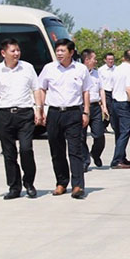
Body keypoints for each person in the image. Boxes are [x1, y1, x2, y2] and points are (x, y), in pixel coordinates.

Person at [0, 38, 40, 199]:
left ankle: (29, 183)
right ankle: (14, 187)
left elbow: (36, 89)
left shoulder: (27, 68)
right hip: (5, 114)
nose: (16, 53)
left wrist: (39, 109)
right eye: (13, 51)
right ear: (3, 53)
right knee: (9, 153)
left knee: (26, 149)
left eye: (18, 50)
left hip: (25, 114)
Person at [36, 38, 92, 199]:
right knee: (56, 150)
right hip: (54, 113)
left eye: (63, 51)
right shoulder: (49, 68)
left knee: (75, 150)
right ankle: (61, 182)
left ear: (71, 52)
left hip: (73, 112)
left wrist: (86, 112)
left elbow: (86, 91)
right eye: (57, 51)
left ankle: (78, 185)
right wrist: (41, 110)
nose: (59, 54)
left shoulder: (80, 69)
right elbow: (41, 88)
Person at [110, 50, 130, 169]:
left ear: (124, 58)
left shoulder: (116, 69)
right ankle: (117, 160)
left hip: (114, 102)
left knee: (118, 132)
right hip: (124, 103)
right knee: (125, 132)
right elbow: (128, 89)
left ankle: (122, 156)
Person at [80, 49, 108, 171]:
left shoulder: (97, 73)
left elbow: (101, 90)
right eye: (94, 59)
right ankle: (85, 161)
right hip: (81, 107)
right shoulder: (79, 72)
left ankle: (96, 154)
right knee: (81, 137)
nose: (96, 61)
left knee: (99, 135)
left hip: (95, 107)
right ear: (87, 60)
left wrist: (104, 106)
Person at [98, 52, 117, 129]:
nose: (111, 61)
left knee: (113, 110)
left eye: (112, 59)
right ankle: (115, 127)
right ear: (105, 60)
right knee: (110, 110)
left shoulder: (117, 69)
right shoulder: (101, 70)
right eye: (109, 59)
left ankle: (103, 126)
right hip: (105, 92)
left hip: (114, 92)